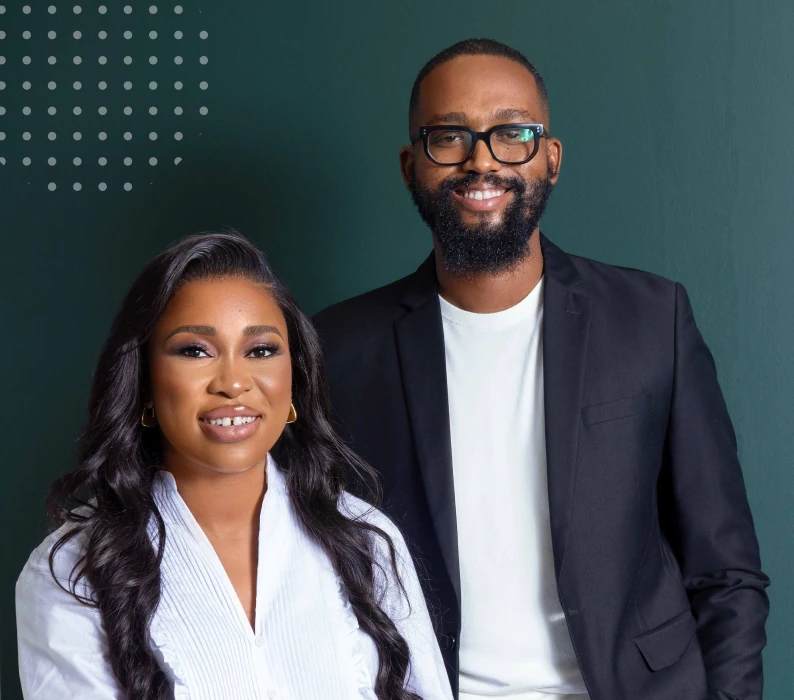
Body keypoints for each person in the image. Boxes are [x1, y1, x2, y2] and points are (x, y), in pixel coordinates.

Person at [313, 38, 770, 700]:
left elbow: (725, 571)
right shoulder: (340, 346)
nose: (482, 160)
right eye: (450, 138)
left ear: (549, 159)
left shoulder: (651, 320)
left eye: (513, 134)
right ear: (411, 165)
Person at [16, 231, 453, 700]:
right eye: (194, 351)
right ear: (143, 381)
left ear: (294, 380)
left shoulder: (365, 540)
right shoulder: (74, 568)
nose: (233, 383)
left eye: (261, 350)